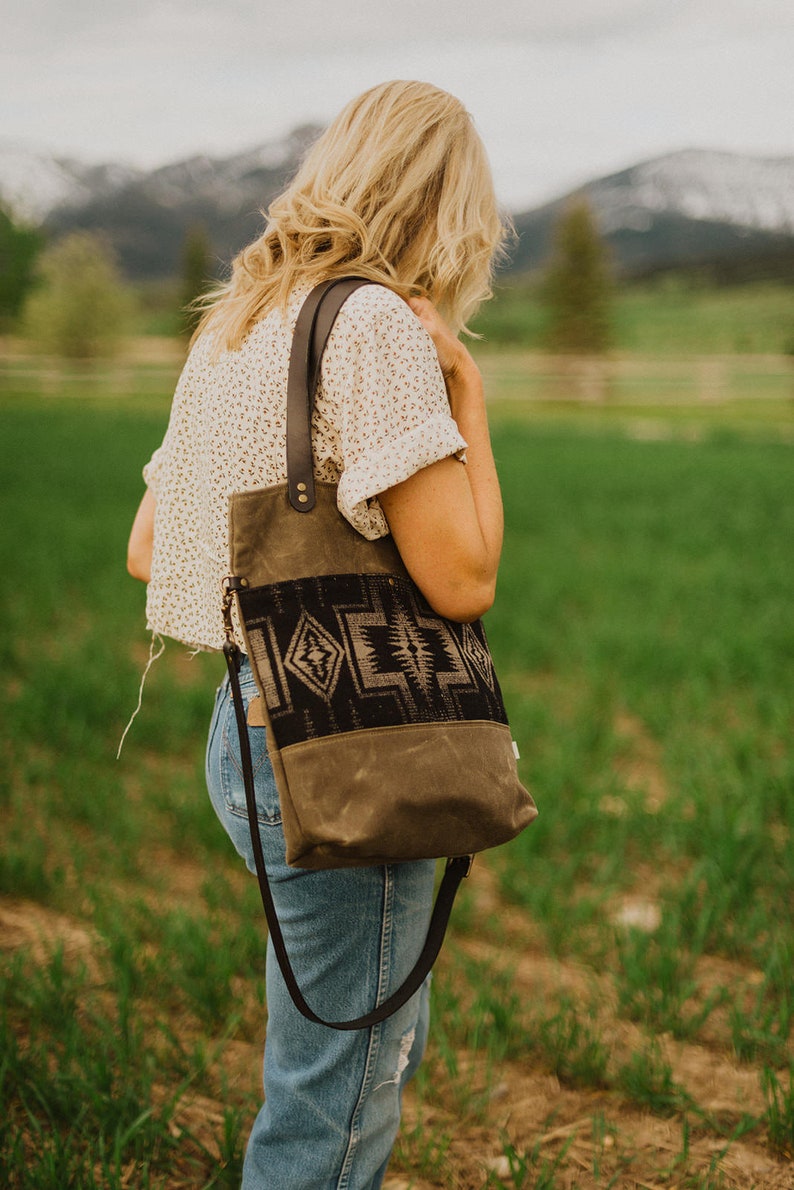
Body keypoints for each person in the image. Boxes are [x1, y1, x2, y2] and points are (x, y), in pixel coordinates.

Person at [127, 79, 507, 1190]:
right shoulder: (376, 322)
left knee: (340, 1050)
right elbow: (464, 574)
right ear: (444, 207)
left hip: (242, 732)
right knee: (333, 1097)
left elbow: (156, 545)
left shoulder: (236, 318)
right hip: (345, 745)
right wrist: (467, 398)